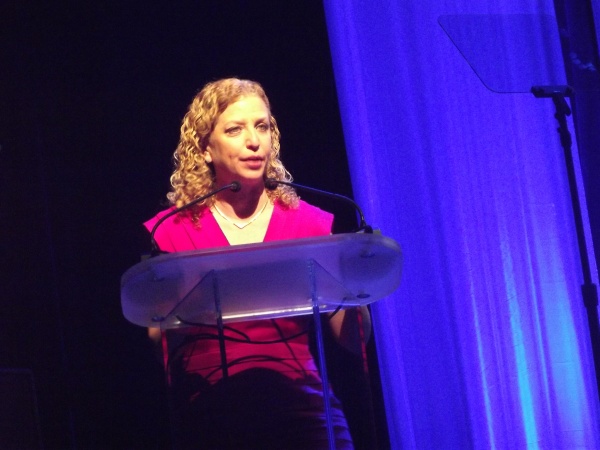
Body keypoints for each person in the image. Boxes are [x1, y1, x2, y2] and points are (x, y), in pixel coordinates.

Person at [144, 78, 370, 449]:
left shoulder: (308, 224)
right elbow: (161, 348)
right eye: (235, 129)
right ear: (205, 149)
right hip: (214, 414)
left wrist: (355, 286)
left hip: (303, 408)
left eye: (262, 126)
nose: (254, 141)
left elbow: (353, 340)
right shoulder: (174, 230)